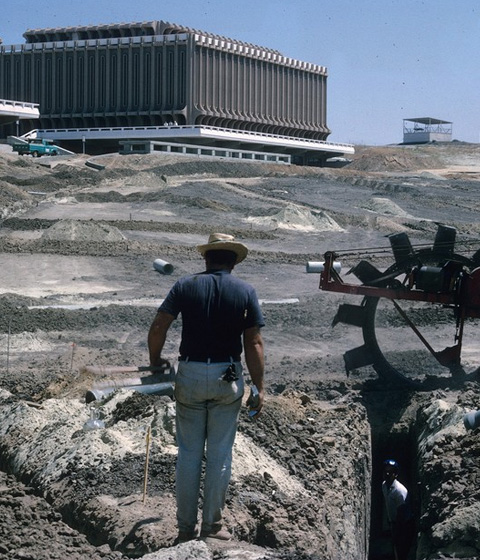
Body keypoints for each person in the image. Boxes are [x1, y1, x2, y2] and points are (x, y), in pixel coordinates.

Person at [148, 233, 265, 544]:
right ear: (233, 262)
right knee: (219, 455)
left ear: (207, 258)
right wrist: (259, 387)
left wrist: (155, 359)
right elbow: (253, 342)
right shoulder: (245, 291)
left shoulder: (185, 286)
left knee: (188, 454)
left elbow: (160, 324)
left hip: (190, 371)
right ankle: (211, 525)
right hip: (227, 374)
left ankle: (185, 529)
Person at [382, 459, 415, 560]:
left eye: (391, 472)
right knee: (395, 546)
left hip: (405, 524)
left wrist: (396, 529)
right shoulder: (384, 485)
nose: (388, 474)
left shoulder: (399, 491)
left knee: (401, 549)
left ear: (395, 474)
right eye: (386, 471)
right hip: (395, 522)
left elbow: (402, 513)